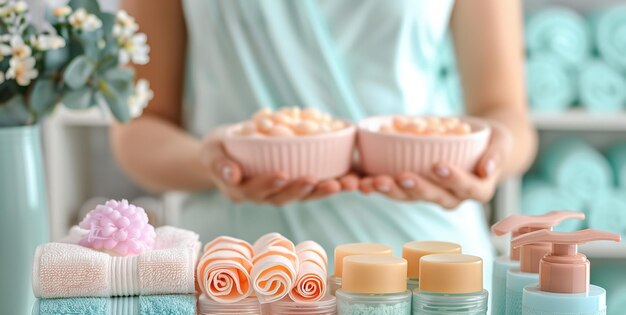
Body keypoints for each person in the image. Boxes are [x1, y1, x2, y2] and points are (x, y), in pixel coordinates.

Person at [111, 0, 537, 287]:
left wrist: (489, 157)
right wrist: (211, 164)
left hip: (425, 262)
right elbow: (138, 126)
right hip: (235, 270)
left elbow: (506, 113)